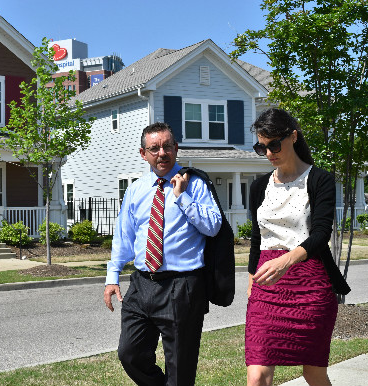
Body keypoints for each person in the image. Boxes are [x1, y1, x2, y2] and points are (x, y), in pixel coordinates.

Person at [103, 122, 222, 386]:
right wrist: (112, 277)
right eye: (154, 148)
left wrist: (182, 197)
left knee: (180, 368)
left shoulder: (196, 184)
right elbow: (124, 237)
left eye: (167, 146)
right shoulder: (136, 189)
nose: (162, 153)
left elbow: (214, 227)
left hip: (182, 286)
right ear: (143, 153)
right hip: (142, 283)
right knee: (130, 353)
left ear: (176, 149)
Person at [245, 108, 351, 386]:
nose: (269, 153)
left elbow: (320, 234)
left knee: (313, 374)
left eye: (274, 145)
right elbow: (257, 238)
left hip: (311, 285)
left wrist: (287, 260)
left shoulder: (320, 180)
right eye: (261, 147)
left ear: (293, 136)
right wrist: (250, 280)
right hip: (266, 285)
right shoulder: (258, 187)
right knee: (256, 377)